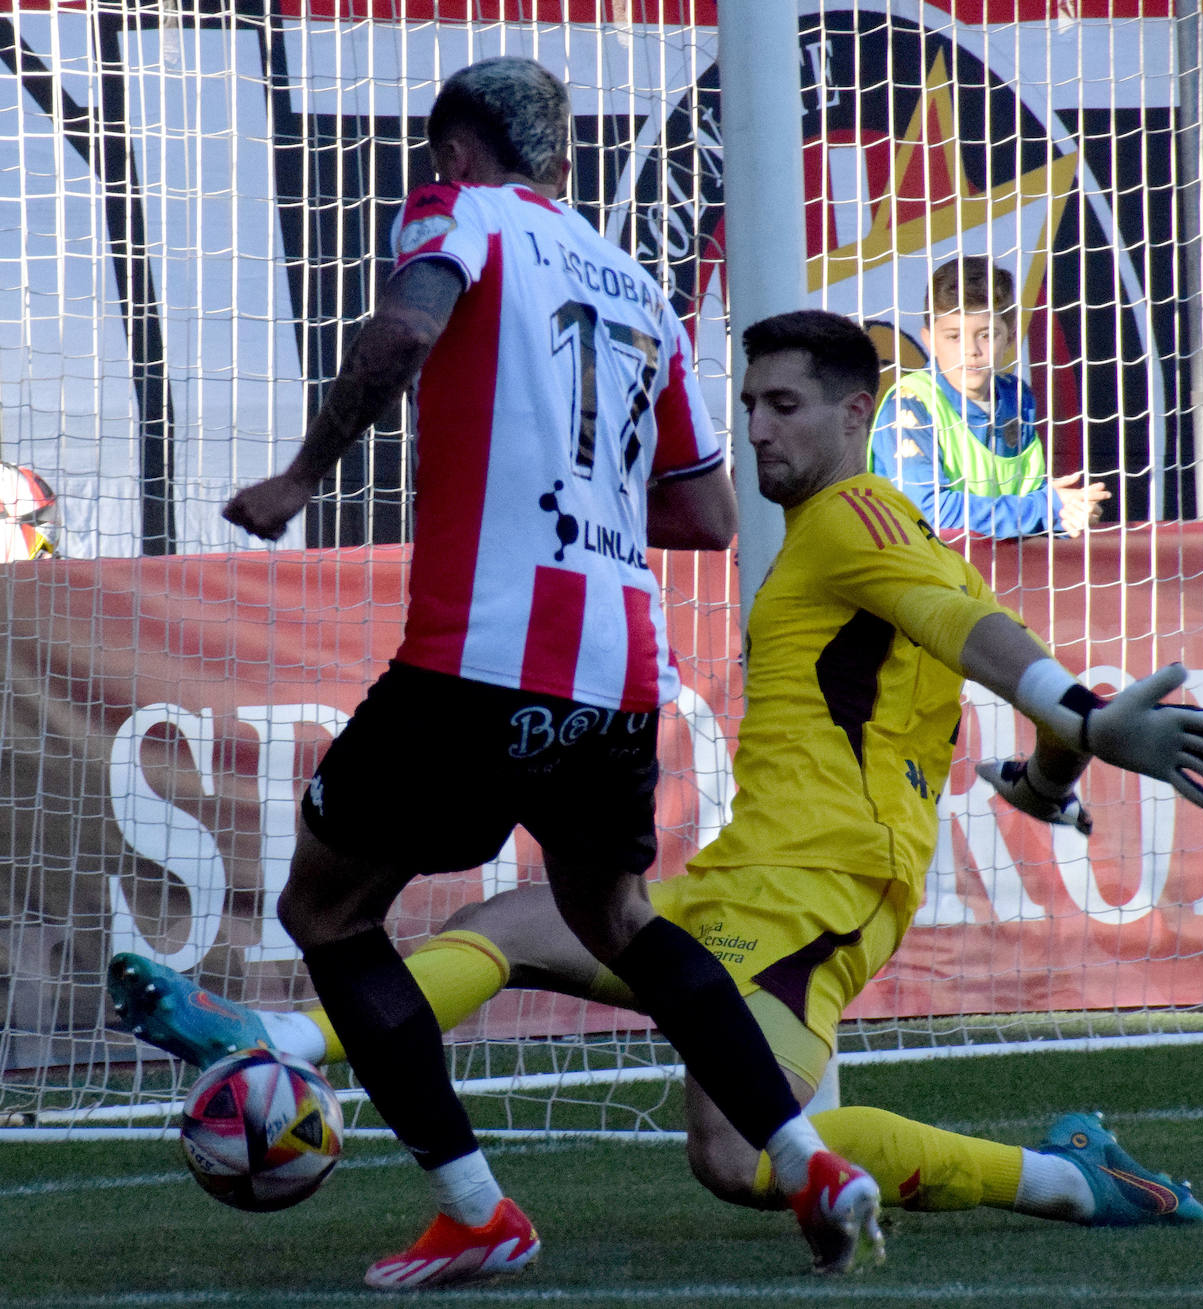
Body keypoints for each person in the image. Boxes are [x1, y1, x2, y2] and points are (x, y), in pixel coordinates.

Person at [116, 309, 1203, 1249]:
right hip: (757, 877)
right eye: (748, 405)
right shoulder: (895, 535)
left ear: (861, 412)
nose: (757, 428)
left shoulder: (852, 516)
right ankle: (284, 1042)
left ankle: (1063, 1179)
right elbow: (977, 635)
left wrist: (1081, 721)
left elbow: (971, 626)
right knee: (514, 920)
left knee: (737, 1150)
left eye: (784, 405)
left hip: (813, 889)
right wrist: (1050, 768)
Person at [210, 60, 884, 1288]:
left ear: (455, 154)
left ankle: (475, 1207)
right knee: (617, 915)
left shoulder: (456, 213)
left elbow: (407, 330)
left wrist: (303, 477)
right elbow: (709, 514)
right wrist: (579, 494)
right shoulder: (641, 288)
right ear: (567, 166)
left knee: (326, 912)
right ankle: (807, 1159)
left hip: (478, 656)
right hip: (619, 667)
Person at [869, 257, 1110, 539]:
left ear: (1010, 338)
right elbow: (927, 513)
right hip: (922, 577)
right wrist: (1045, 507)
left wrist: (1067, 514)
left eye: (986, 335)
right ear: (929, 339)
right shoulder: (910, 402)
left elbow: (1027, 498)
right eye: (954, 337)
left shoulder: (1017, 398)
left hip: (1001, 577)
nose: (971, 351)